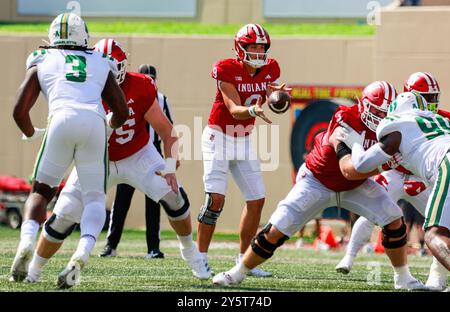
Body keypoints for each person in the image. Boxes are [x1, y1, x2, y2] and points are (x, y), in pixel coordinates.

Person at [23, 39, 210, 288]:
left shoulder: (142, 86)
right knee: (63, 215)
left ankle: (191, 253)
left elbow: (167, 131)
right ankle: (33, 269)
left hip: (138, 155)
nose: (112, 74)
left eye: (116, 67)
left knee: (175, 196)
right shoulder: (83, 88)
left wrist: (169, 166)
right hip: (97, 160)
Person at [213, 81, 426, 290]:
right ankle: (237, 272)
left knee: (394, 219)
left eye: (384, 113)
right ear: (364, 106)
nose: (381, 118)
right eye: (377, 112)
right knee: (275, 230)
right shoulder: (346, 119)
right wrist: (387, 165)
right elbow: (349, 170)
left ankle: (403, 277)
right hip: (318, 180)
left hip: (356, 186)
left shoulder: (392, 126)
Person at [9, 13, 128, 283]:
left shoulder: (42, 58)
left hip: (60, 119)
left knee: (40, 191)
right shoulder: (100, 60)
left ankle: (26, 242)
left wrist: (30, 133)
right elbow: (122, 110)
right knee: (94, 197)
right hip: (94, 122)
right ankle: (82, 253)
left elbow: (19, 110)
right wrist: (109, 125)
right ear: (83, 35)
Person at [335, 72, 448, 291]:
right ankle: (349, 256)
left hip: (428, 173)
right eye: (427, 97)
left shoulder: (410, 122)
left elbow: (362, 163)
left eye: (435, 97)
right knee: (374, 210)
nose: (432, 103)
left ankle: (437, 279)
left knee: (439, 229)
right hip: (398, 172)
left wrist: (354, 145)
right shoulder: (420, 118)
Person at [197, 24, 290, 278]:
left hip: (243, 139)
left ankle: (243, 260)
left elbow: (268, 93)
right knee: (215, 200)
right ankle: (200, 258)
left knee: (257, 198)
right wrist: (253, 111)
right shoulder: (226, 68)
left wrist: (276, 95)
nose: (259, 52)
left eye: (262, 47)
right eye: (254, 47)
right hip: (218, 137)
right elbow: (233, 108)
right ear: (241, 49)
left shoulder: (270, 69)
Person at [99, 64, 173, 259]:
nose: (150, 80)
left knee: (154, 200)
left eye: (152, 77)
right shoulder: (125, 95)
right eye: (146, 77)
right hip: (131, 152)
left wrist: (169, 165)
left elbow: (169, 130)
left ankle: (153, 247)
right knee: (121, 201)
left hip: (152, 152)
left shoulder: (162, 99)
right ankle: (110, 245)